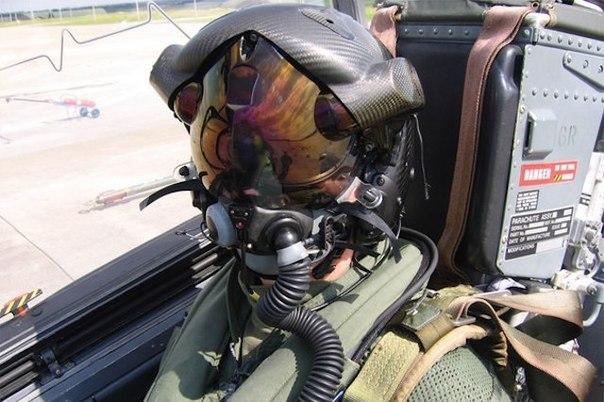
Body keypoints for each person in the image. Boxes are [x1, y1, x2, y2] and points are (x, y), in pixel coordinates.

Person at [143, 4, 590, 401]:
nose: (252, 196)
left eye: (297, 163)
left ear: (379, 175)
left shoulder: (443, 384)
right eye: (228, 159)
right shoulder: (229, 298)